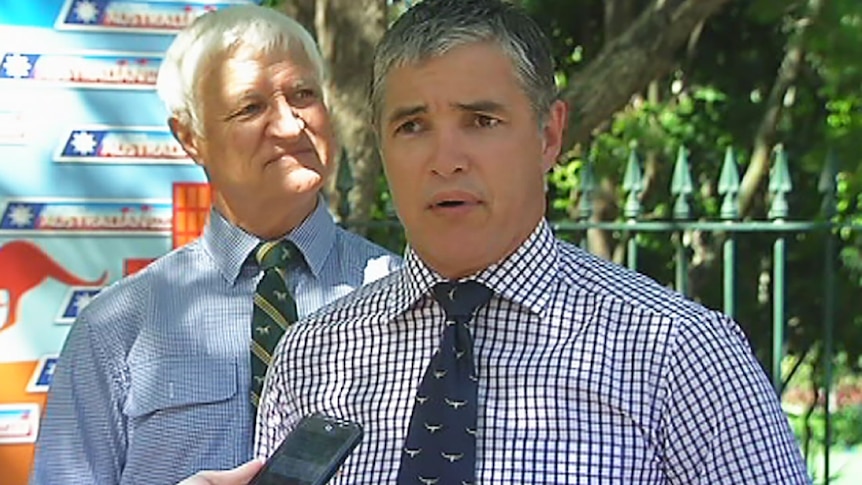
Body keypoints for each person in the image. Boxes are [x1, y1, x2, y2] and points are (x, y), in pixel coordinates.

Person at [254, 0, 811, 483]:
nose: (446, 160)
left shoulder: (679, 354)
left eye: (481, 121)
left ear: (548, 136)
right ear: (381, 146)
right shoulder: (312, 357)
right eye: (413, 126)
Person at [30, 5, 400, 485]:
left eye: (304, 95)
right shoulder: (117, 326)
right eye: (251, 107)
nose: (290, 126)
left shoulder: (404, 293)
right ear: (190, 137)